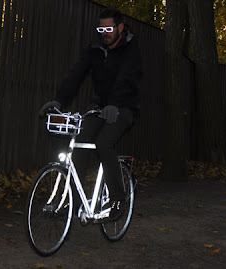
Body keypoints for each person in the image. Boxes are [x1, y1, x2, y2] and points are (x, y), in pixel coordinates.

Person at [39, 7, 142, 220]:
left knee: (104, 143)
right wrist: (59, 100)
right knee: (80, 140)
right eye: (101, 28)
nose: (104, 32)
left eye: (109, 28)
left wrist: (115, 104)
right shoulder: (95, 48)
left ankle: (117, 199)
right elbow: (76, 75)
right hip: (100, 107)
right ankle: (73, 203)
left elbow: (126, 79)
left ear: (120, 27)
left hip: (124, 107)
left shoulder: (131, 48)